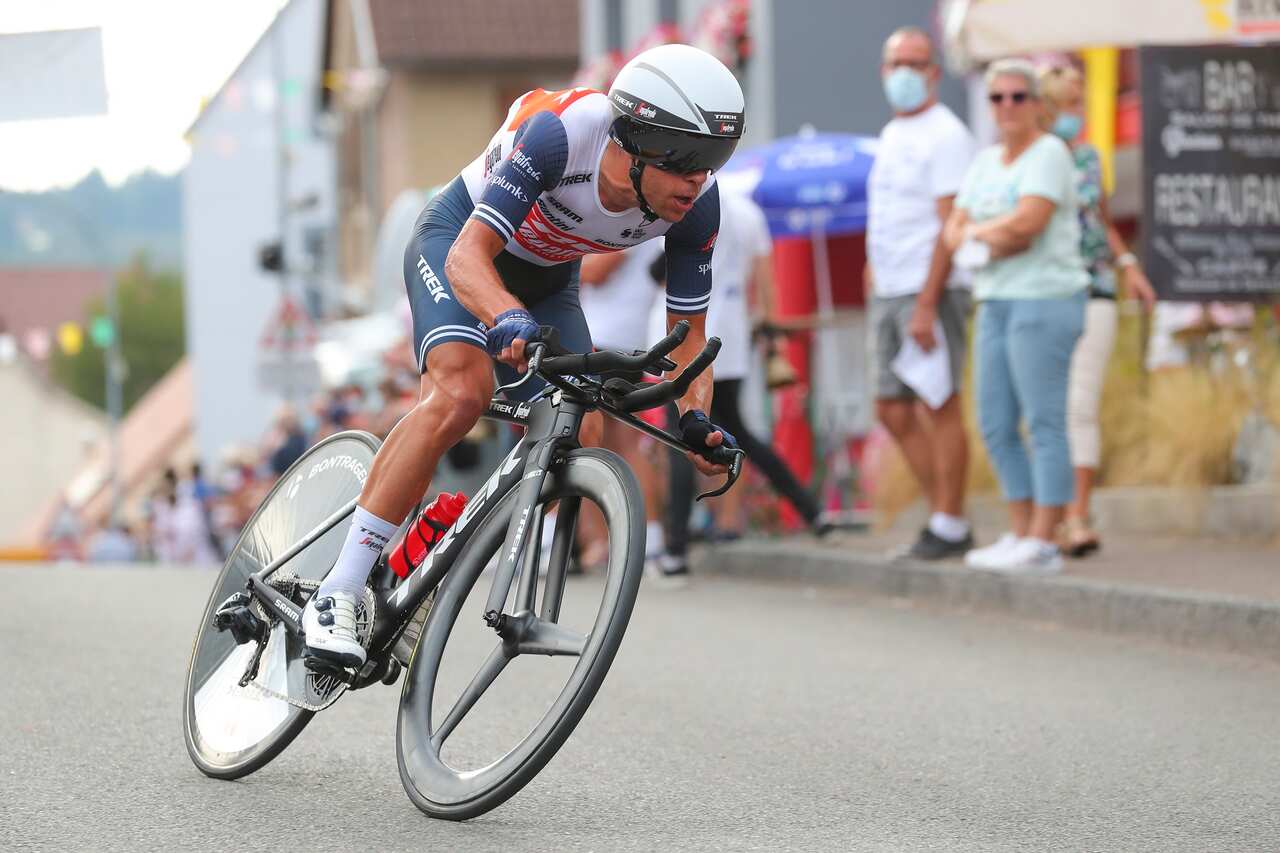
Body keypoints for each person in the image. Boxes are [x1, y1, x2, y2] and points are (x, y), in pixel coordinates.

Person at [302, 44, 747, 668]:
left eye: (714, 162)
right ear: (637, 140)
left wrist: (695, 417)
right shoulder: (560, 136)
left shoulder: (695, 206)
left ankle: (454, 561)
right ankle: (338, 589)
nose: (701, 181)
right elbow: (466, 260)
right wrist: (505, 315)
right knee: (462, 392)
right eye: (690, 162)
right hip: (460, 243)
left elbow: (689, 336)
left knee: (583, 421)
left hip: (548, 278)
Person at [943, 58, 1088, 574]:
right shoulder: (985, 162)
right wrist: (984, 235)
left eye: (1017, 97)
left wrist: (980, 234)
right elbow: (953, 225)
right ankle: (1022, 530)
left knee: (1043, 420)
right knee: (995, 420)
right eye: (997, 98)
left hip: (1045, 298)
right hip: (996, 299)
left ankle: (1048, 537)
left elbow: (1028, 223)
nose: (1006, 106)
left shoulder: (1050, 153)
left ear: (1035, 104)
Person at [655, 188, 828, 577]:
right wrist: (768, 334)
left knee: (679, 436)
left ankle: (676, 549)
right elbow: (766, 286)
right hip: (729, 337)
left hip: (682, 333)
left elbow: (657, 271)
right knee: (740, 435)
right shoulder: (747, 212)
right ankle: (811, 510)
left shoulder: (672, 202)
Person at [865, 27, 977, 560]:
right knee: (891, 406)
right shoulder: (891, 133)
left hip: (928, 287)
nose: (905, 72)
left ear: (934, 72)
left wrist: (929, 302)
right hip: (889, 289)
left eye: (916, 62)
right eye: (895, 63)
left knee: (939, 401)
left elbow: (949, 224)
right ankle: (944, 514)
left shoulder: (946, 133)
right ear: (884, 72)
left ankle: (950, 522)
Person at [1038, 63, 1156, 556]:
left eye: (1080, 104)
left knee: (1080, 405)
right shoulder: (1032, 158)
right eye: (1067, 104)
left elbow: (1101, 221)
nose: (1076, 114)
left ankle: (1077, 516)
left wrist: (1129, 264)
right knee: (1046, 409)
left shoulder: (1089, 158)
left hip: (1094, 288)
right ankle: (1046, 517)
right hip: (1044, 293)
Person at [578, 241, 666, 570]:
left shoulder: (632, 217)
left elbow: (596, 271)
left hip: (607, 340)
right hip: (622, 339)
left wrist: (559, 263)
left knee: (595, 441)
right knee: (613, 443)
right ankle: (637, 541)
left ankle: (626, 541)